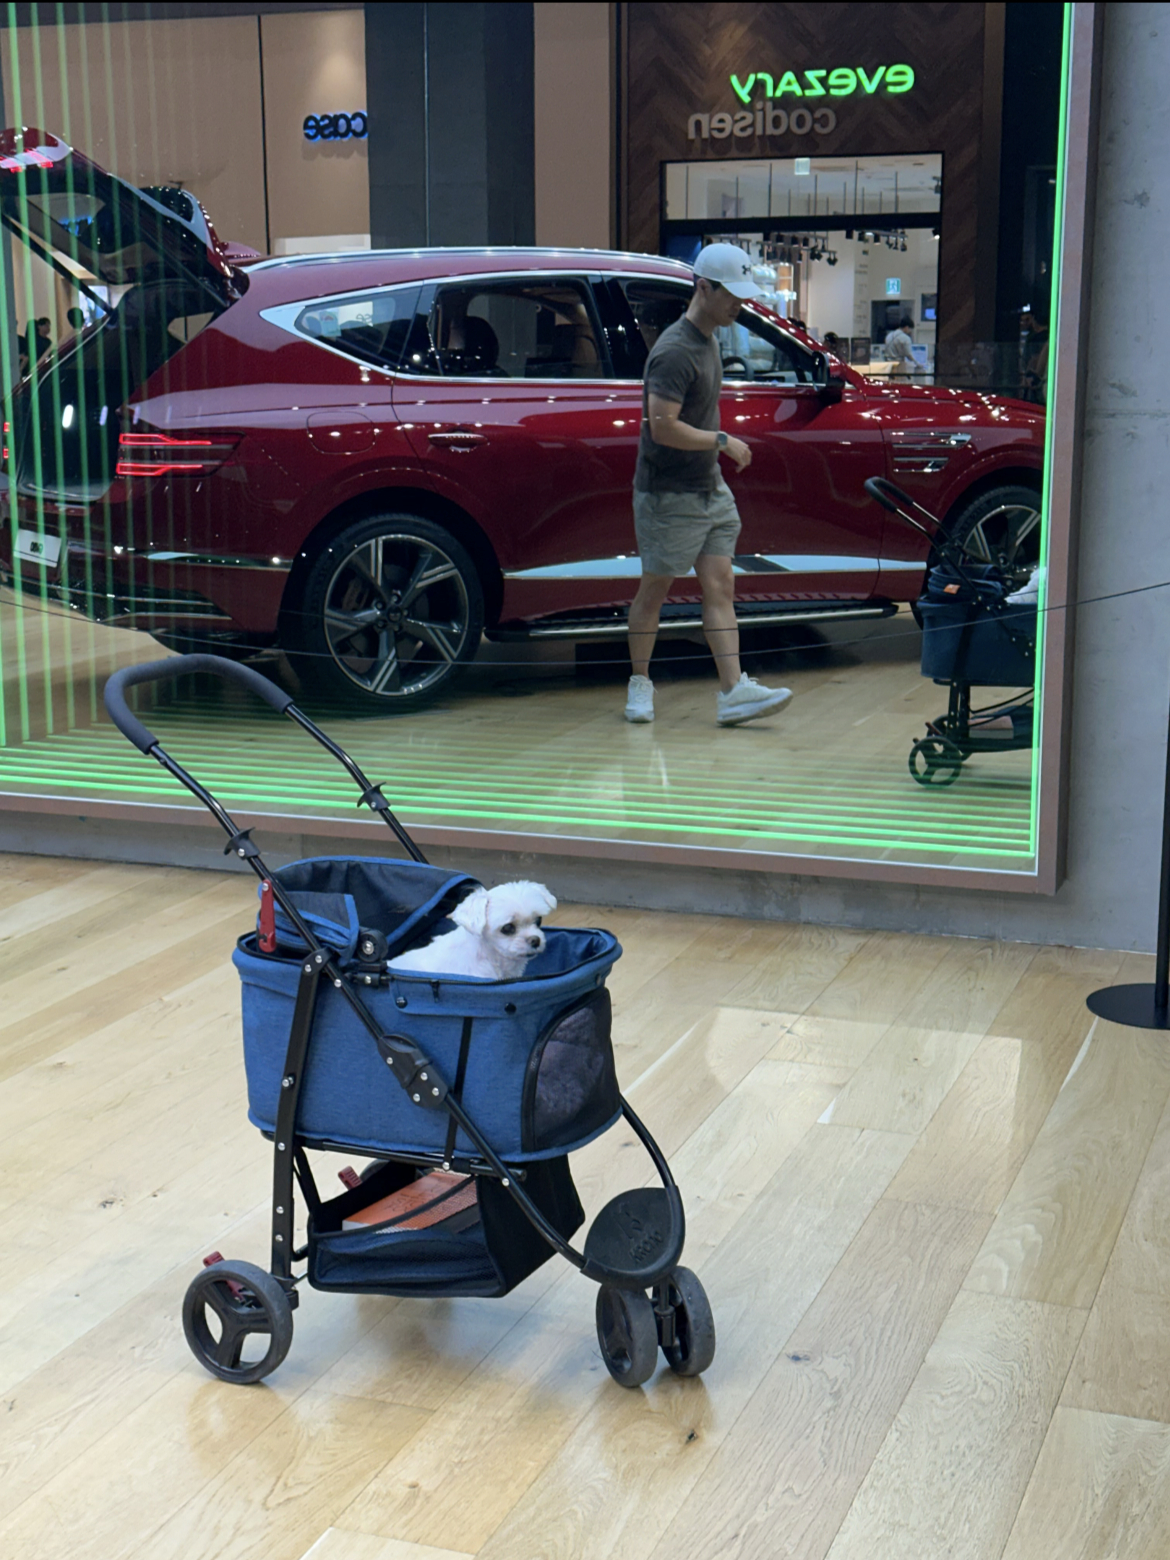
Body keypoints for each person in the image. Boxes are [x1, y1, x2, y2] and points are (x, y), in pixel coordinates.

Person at [625, 242, 794, 727]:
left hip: (708, 487)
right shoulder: (675, 351)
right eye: (732, 296)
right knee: (656, 588)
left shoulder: (711, 338)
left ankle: (733, 690)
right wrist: (721, 440)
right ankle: (640, 682)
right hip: (667, 491)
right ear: (704, 288)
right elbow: (662, 426)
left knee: (720, 582)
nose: (739, 305)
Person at [1019, 302, 1049, 404]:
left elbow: (1034, 362)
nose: (1024, 324)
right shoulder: (1051, 338)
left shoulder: (1036, 340)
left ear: (1033, 320)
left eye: (1027, 320)